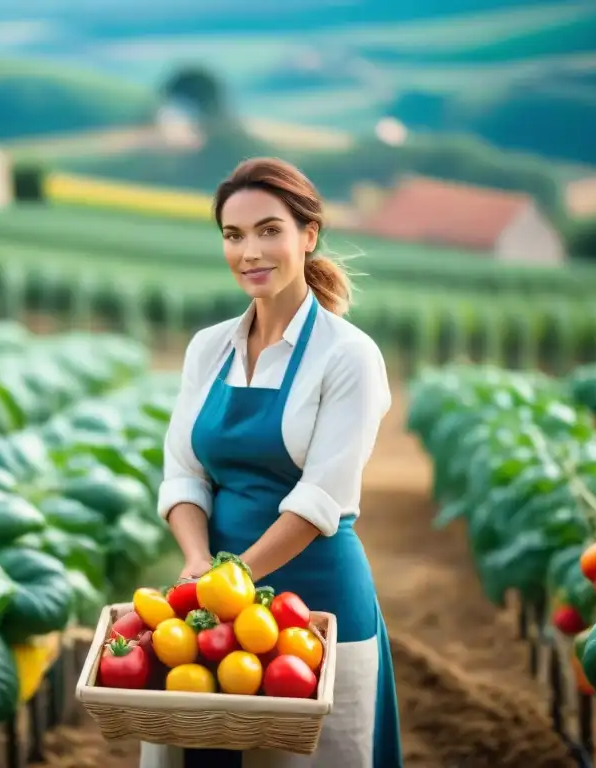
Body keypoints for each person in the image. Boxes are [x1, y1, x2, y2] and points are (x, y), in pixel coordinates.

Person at [140, 158, 402, 768]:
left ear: (308, 236)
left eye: (268, 230)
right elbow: (183, 473)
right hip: (215, 596)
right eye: (233, 236)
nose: (248, 252)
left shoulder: (348, 357)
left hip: (312, 604)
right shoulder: (209, 348)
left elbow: (320, 499)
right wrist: (199, 562)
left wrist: (226, 585)